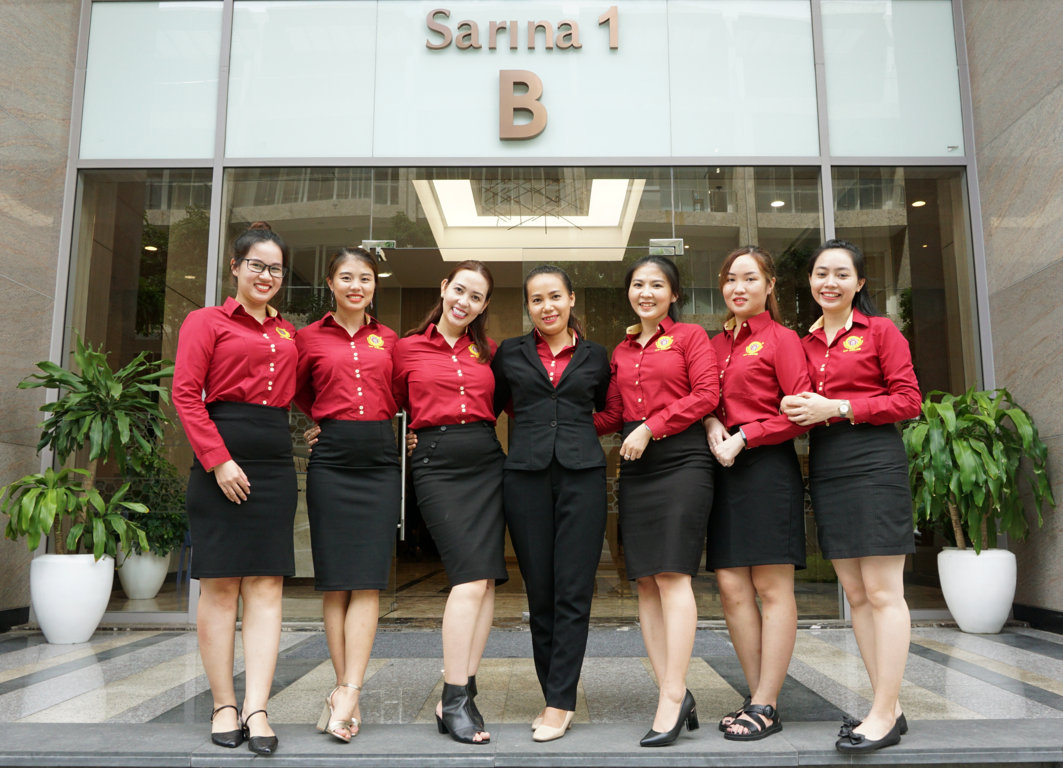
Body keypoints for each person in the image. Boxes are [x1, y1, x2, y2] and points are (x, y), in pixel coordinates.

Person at [780, 239, 921, 753]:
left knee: (884, 593)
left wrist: (838, 408)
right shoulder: (803, 342)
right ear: (810, 282)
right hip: (828, 467)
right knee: (856, 594)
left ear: (859, 283)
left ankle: (882, 712)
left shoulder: (881, 331)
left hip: (874, 463)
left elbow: (908, 400)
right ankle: (889, 706)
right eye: (822, 273)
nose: (830, 282)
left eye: (842, 274)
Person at [172, 222, 296, 757]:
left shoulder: (289, 333)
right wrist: (218, 460)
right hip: (219, 460)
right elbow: (185, 393)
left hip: (275, 464)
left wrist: (324, 422)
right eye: (257, 265)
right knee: (222, 586)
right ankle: (224, 704)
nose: (266, 276)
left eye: (275, 269)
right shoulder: (206, 321)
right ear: (236, 267)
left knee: (267, 585)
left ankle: (257, 708)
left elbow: (307, 390)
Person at [595, 255, 719, 747]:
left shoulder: (690, 336)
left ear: (673, 294)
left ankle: (671, 695)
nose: (645, 293)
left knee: (672, 574)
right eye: (638, 285)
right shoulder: (621, 351)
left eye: (656, 285)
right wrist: (553, 422)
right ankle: (673, 689)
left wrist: (651, 426)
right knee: (645, 581)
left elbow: (707, 395)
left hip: (683, 460)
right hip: (637, 466)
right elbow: (612, 415)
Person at [492, 265, 611, 742]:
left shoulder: (596, 355)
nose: (547, 307)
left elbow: (608, 410)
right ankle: (553, 695)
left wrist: (573, 429)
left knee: (573, 593)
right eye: (537, 299)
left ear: (571, 299)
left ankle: (560, 702)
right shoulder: (509, 352)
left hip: (583, 478)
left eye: (555, 296)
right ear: (528, 306)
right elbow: (490, 406)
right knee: (540, 593)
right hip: (525, 478)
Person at [392, 260, 506, 745]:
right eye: (459, 290)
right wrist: (322, 425)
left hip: (486, 460)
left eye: (476, 297)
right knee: (468, 577)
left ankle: (465, 692)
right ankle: (452, 696)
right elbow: (383, 402)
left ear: (484, 305)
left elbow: (509, 403)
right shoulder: (404, 349)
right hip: (436, 463)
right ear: (444, 288)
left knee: (486, 579)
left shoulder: (490, 353)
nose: (464, 302)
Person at [703, 246, 811, 742]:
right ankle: (756, 698)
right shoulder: (714, 343)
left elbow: (800, 411)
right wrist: (711, 423)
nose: (738, 287)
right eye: (730, 279)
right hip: (723, 469)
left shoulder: (782, 339)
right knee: (731, 588)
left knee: (771, 588)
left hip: (767, 468)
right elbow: (704, 397)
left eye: (749, 278)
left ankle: (767, 702)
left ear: (769, 285)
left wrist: (747, 435)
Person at [293, 248, 400, 743]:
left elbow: (405, 390)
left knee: (368, 582)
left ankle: (348, 691)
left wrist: (413, 434)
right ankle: (344, 690)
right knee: (337, 583)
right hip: (332, 461)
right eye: (347, 277)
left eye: (366, 278)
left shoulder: (391, 339)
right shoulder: (308, 337)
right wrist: (319, 419)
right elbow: (296, 388)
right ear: (331, 283)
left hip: (379, 461)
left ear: (374, 286)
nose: (357, 286)